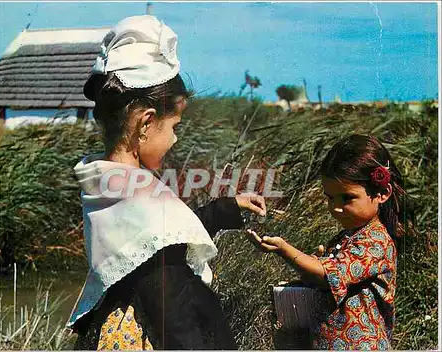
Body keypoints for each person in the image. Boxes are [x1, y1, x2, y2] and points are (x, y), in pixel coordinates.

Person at [67, 15, 266, 350]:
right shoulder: (138, 194)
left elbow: (154, 241)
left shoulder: (104, 179)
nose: (175, 139)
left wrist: (224, 209)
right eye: (174, 126)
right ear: (146, 123)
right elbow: (172, 305)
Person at [247, 134, 415, 350]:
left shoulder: (375, 241)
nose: (336, 207)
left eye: (347, 198)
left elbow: (326, 276)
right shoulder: (349, 236)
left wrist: (284, 250)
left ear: (382, 193)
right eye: (330, 198)